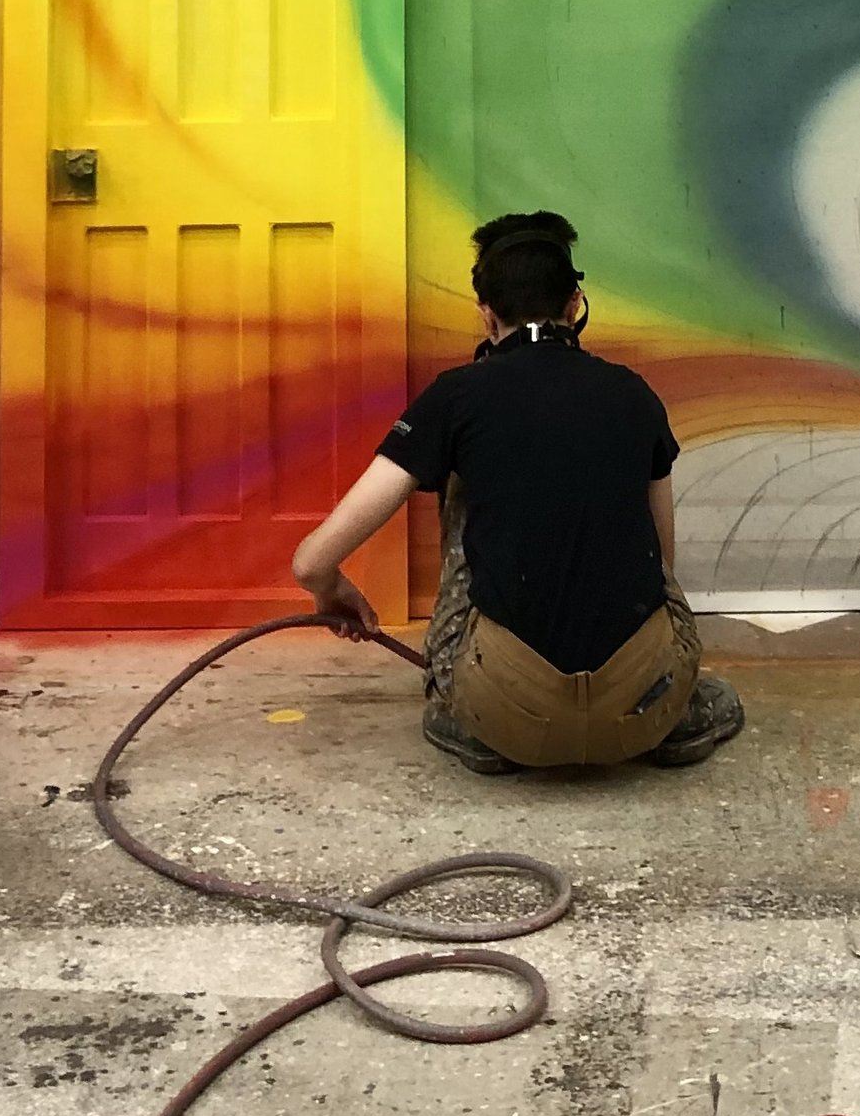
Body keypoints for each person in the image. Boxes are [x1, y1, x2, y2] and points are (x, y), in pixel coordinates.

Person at [290, 210, 746, 774]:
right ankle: (678, 714)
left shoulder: (455, 399)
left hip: (503, 715)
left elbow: (312, 562)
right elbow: (663, 561)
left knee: (465, 475)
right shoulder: (634, 394)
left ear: (487, 315)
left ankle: (474, 721)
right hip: (642, 708)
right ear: (575, 304)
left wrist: (333, 589)